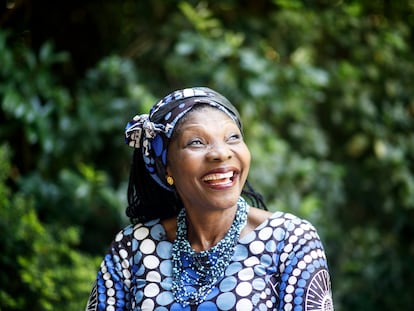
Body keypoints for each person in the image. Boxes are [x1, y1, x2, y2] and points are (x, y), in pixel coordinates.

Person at [85, 87, 334, 311]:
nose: (221, 153)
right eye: (196, 142)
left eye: (232, 137)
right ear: (167, 167)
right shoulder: (132, 247)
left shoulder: (289, 241)